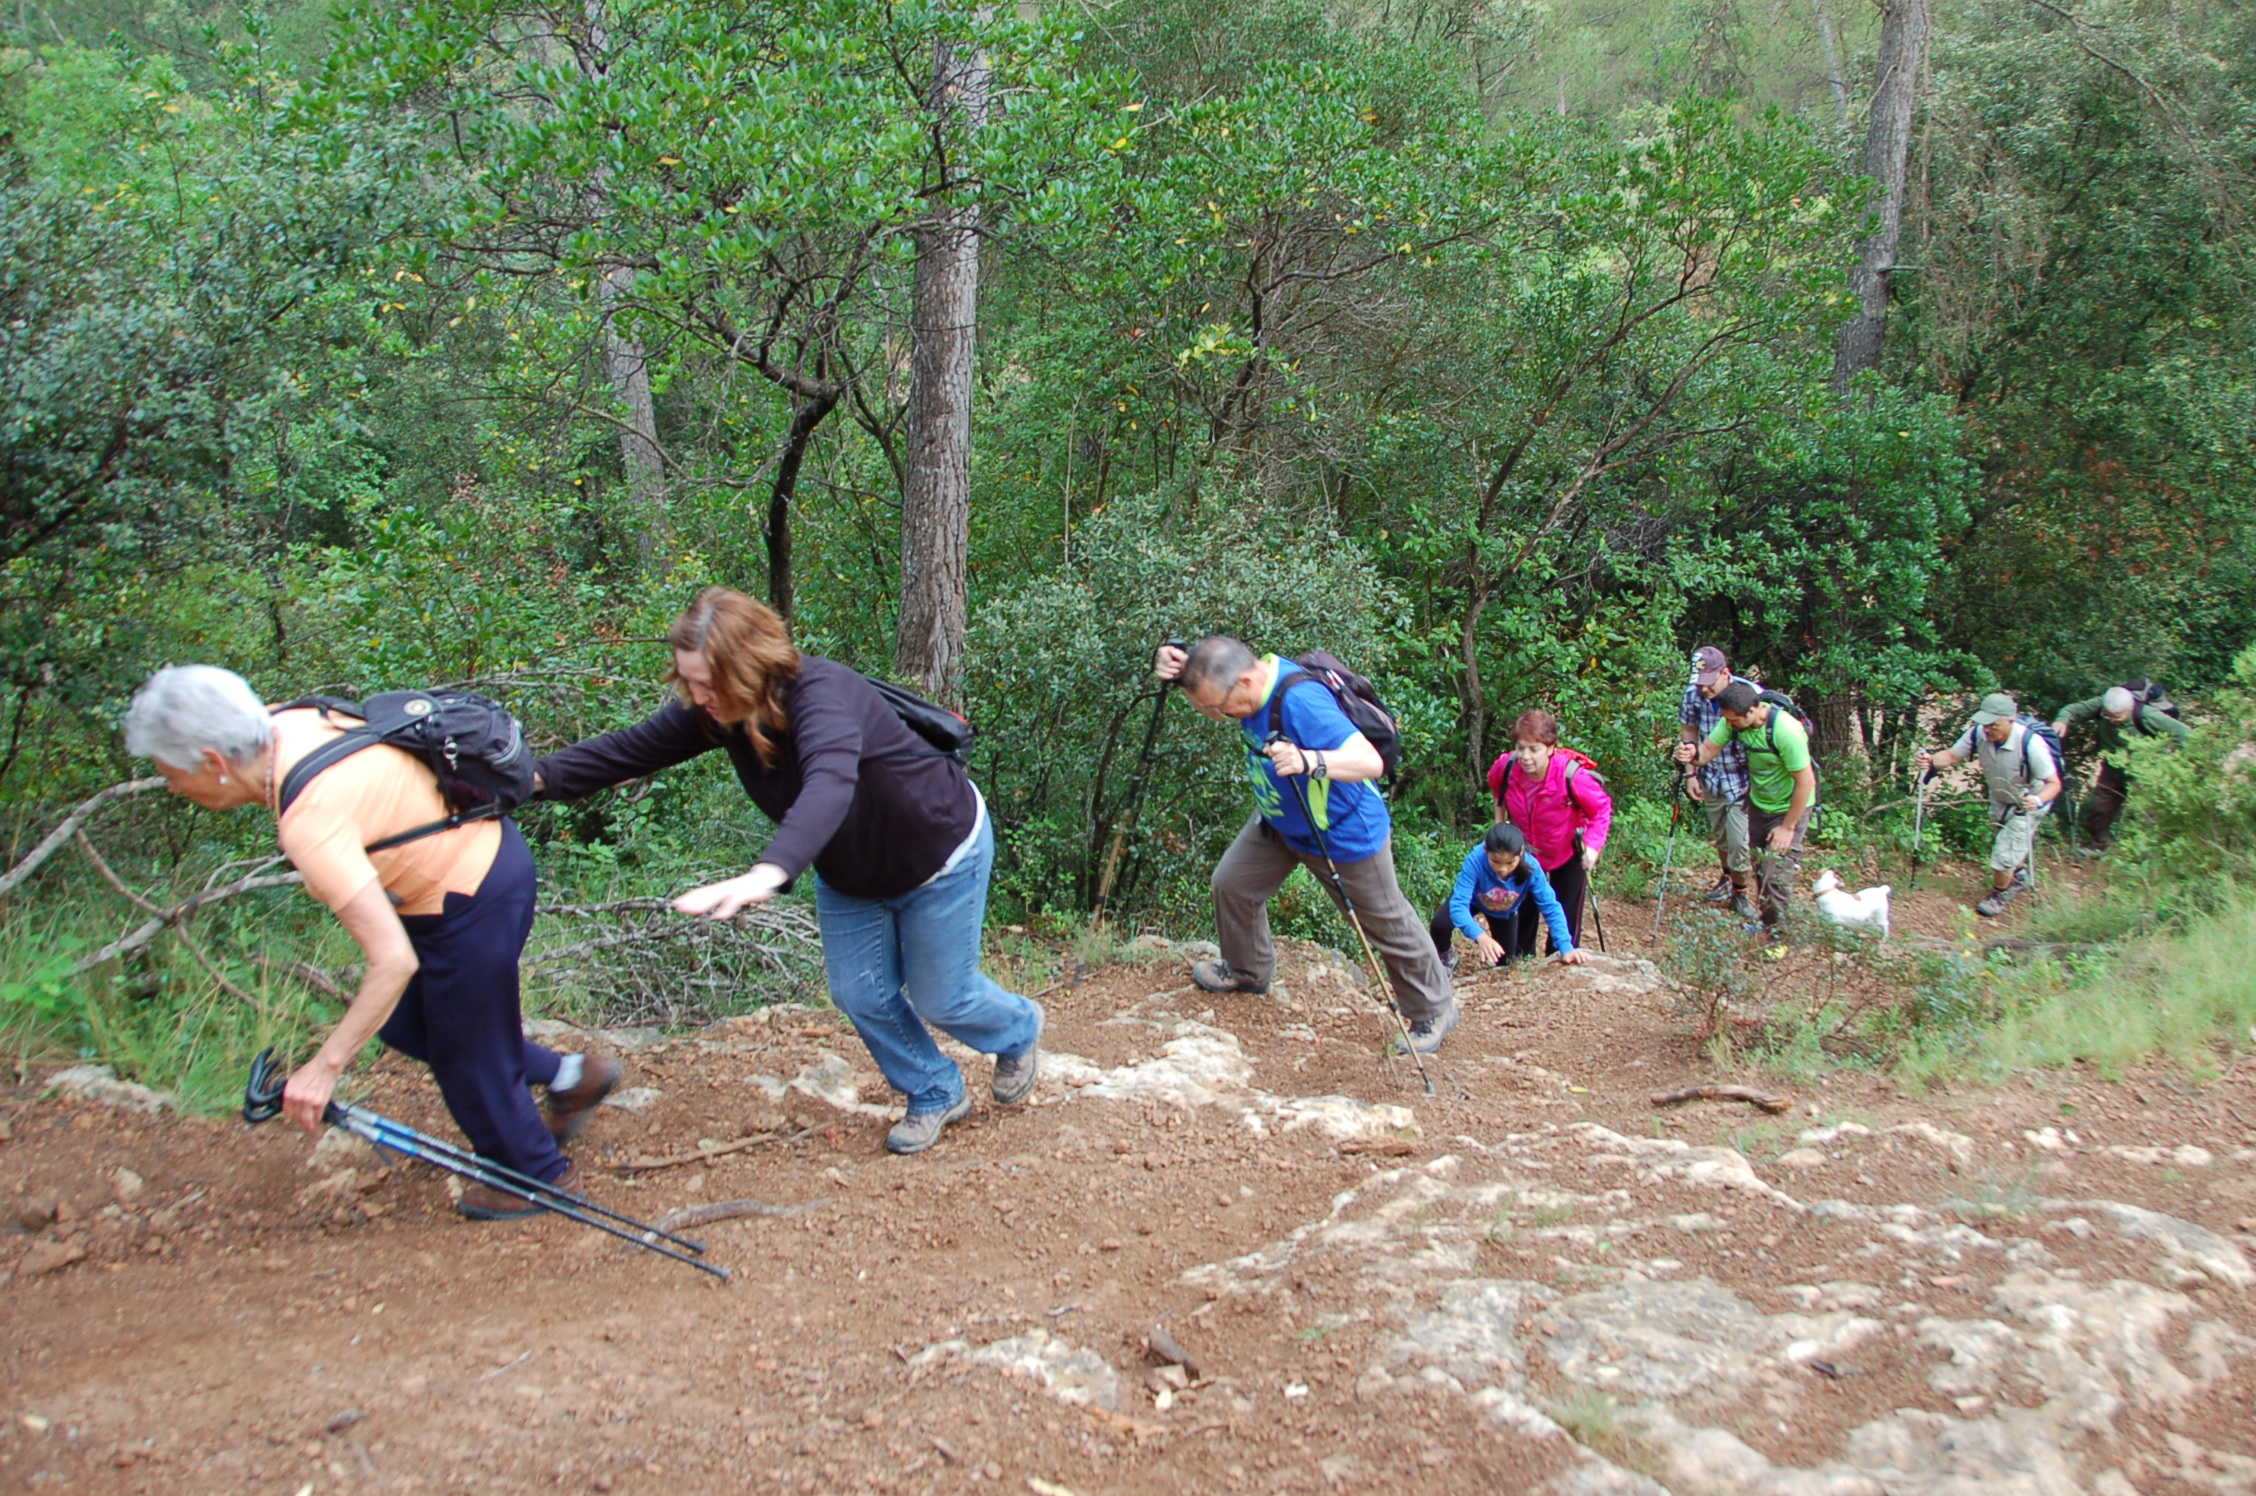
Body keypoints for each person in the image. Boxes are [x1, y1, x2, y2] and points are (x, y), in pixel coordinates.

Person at [530, 588, 1042, 1156]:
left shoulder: (822, 697)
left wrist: (768, 872)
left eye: (708, 683)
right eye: (689, 682)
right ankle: (934, 1088)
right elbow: (626, 751)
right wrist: (525, 779)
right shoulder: (718, 711)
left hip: (939, 855)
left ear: (749, 668)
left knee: (943, 998)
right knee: (859, 993)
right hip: (853, 871)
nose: (697, 697)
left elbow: (829, 784)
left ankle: (1018, 1030)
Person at [122, 666, 621, 1220]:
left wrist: (324, 1066)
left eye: (172, 774)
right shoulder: (291, 719)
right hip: (469, 868)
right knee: (406, 1024)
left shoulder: (309, 819)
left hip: (472, 896)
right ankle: (573, 1078)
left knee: (465, 1057)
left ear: (215, 763)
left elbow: (392, 961)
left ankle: (537, 1177)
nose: (174, 788)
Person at [1154, 637, 1458, 1054]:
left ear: (1245, 682)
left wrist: (1309, 760)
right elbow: (1215, 673)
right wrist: (1182, 668)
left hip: (1342, 833)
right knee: (1233, 884)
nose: (1218, 716)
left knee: (1386, 923)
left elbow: (1371, 761)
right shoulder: (1246, 676)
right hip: (1281, 820)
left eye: (1220, 707)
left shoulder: (1302, 703)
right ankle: (1247, 970)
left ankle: (1434, 1009)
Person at [1674, 681, 1817, 929]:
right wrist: (1691, 755)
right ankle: (1767, 925)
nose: (1729, 725)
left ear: (1752, 711)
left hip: (1789, 808)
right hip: (1760, 804)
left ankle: (1778, 936)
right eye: (1726, 720)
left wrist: (1787, 828)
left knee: (1775, 875)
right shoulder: (1734, 720)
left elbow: (1806, 783)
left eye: (1733, 721)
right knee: (1761, 867)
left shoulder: (1786, 732)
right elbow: (1706, 752)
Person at [1918, 692, 2063, 916]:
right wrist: (1931, 760)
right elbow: (1952, 756)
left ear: (2010, 721)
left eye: (1993, 725)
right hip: (2000, 796)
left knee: (2003, 856)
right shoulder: (1978, 733)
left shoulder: (2032, 744)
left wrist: (2037, 800)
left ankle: (1998, 895)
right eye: (1985, 723)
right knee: (2003, 841)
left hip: (2028, 802)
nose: (1987, 729)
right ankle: (2019, 877)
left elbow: (2054, 784)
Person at [1487, 709, 1613, 955]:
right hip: (1525, 851)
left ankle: (1560, 962)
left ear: (1551, 748)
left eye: (1534, 749)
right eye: (1521, 748)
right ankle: (1521, 964)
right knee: (1522, 911)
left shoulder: (1571, 776)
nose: (1526, 757)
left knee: (1564, 915)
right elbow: (1496, 790)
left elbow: (1601, 809)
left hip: (1567, 851)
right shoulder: (1506, 767)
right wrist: (1500, 826)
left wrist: (1593, 847)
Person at [1428, 822, 1592, 972]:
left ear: (1520, 853)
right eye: (1495, 862)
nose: (1503, 869)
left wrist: (1566, 946)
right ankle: (1446, 955)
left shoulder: (1531, 867)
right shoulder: (1475, 860)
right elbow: (1458, 906)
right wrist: (1480, 936)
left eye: (1510, 863)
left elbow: (1550, 906)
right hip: (1474, 899)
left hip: (1504, 911)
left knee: (1505, 962)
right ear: (1486, 851)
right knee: (1439, 925)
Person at [2053, 684, 2191, 852]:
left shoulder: (2147, 715)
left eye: (2117, 718)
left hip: (2142, 771)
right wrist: (2062, 720)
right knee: (2099, 808)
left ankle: (2143, 852)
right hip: (2112, 769)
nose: (2112, 721)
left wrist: (2177, 760)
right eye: (2107, 716)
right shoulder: (2102, 704)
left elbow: (2184, 733)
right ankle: (2099, 845)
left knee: (2146, 814)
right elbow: (2072, 710)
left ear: (2130, 708)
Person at [1678, 646, 1757, 920]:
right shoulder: (1693, 694)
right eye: (1700, 683)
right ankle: (1726, 878)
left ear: (1725, 673)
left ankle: (1741, 891)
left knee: (1739, 841)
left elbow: (1762, 744)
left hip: (1742, 779)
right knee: (1721, 835)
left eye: (1710, 682)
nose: (1705, 689)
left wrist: (1756, 784)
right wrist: (1690, 774)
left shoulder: (1748, 695)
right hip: (1710, 774)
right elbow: (1688, 732)